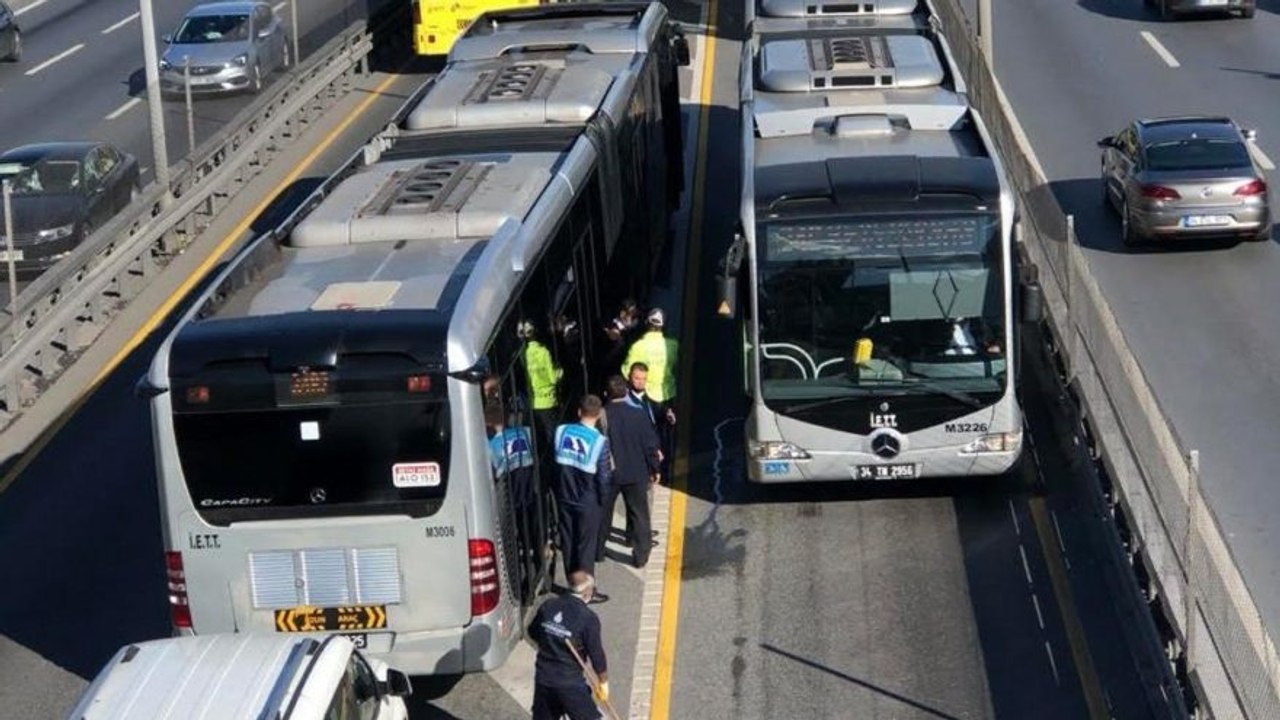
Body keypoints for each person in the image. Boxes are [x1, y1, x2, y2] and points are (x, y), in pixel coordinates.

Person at [596, 375, 661, 568]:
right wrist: (654, 468)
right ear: (626, 392)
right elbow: (650, 445)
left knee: (603, 513)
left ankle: (597, 551)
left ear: (606, 394)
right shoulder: (638, 414)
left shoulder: (601, 416)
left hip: (610, 473)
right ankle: (640, 555)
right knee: (639, 514)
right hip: (636, 472)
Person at [553, 395, 612, 602]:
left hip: (564, 495)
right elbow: (604, 477)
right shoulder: (600, 442)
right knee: (586, 546)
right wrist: (603, 500)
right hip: (588, 499)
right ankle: (586, 591)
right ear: (599, 415)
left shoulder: (561, 431)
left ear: (579, 412)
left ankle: (573, 585)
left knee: (568, 541)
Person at [528, 572, 609, 720]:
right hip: (569, 682)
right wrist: (603, 682)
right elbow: (596, 654)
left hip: (544, 678)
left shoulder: (548, 605)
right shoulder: (588, 618)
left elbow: (532, 632)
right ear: (587, 592)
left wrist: (550, 645)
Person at [486, 404, 538, 600]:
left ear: (488, 424)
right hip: (530, 492)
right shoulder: (524, 432)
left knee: (513, 543)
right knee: (530, 537)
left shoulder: (490, 445)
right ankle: (535, 574)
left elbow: (493, 473)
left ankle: (519, 584)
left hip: (510, 498)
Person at [622, 309, 678, 479]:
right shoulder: (673, 345)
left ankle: (655, 468)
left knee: (651, 434)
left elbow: (626, 370)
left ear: (647, 324)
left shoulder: (638, 346)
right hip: (669, 394)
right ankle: (668, 469)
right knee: (668, 433)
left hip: (648, 396)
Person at [521, 320, 563, 449]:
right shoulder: (543, 351)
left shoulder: (523, 353)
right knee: (552, 435)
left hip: (532, 400)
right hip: (547, 400)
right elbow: (552, 378)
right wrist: (560, 372)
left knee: (536, 435)